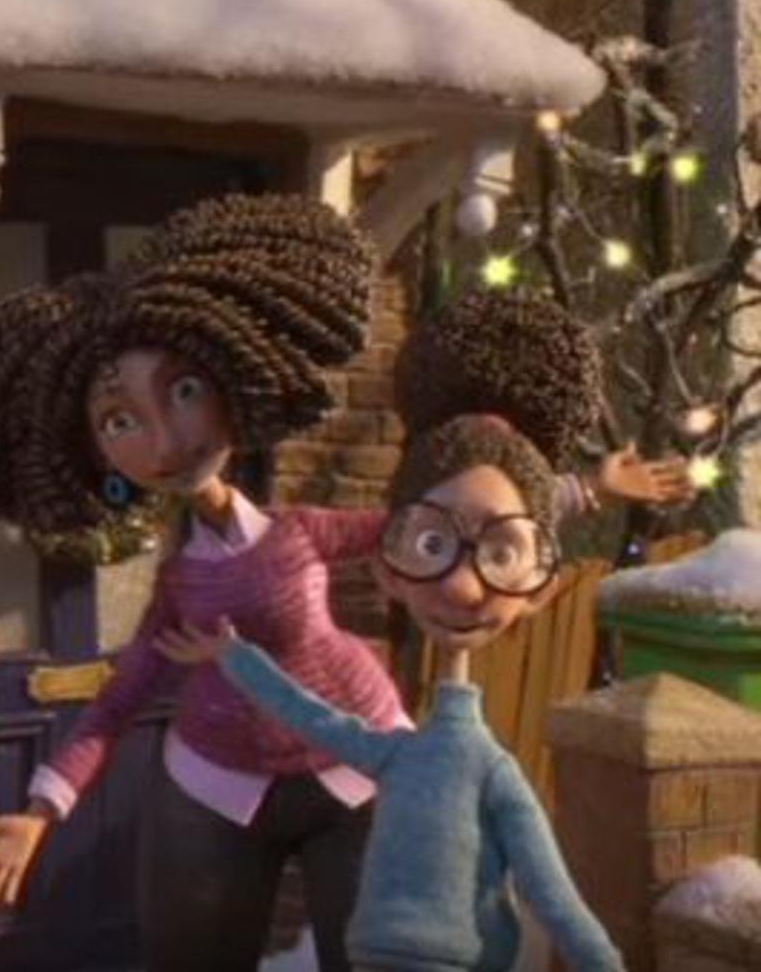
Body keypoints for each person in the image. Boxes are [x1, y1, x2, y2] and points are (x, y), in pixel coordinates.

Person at [0, 194, 684, 970]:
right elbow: (116, 704)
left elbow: (423, 523)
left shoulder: (300, 532)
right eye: (120, 421)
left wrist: (583, 489)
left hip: (356, 763)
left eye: (184, 392)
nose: (167, 440)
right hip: (216, 784)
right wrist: (40, 811)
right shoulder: (181, 590)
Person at [161, 291, 628, 971]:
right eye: (433, 546)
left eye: (500, 555)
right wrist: (233, 655)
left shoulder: (487, 773)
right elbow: (306, 712)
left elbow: (552, 895)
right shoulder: (394, 753)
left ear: (540, 588)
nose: (463, 587)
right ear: (387, 567)